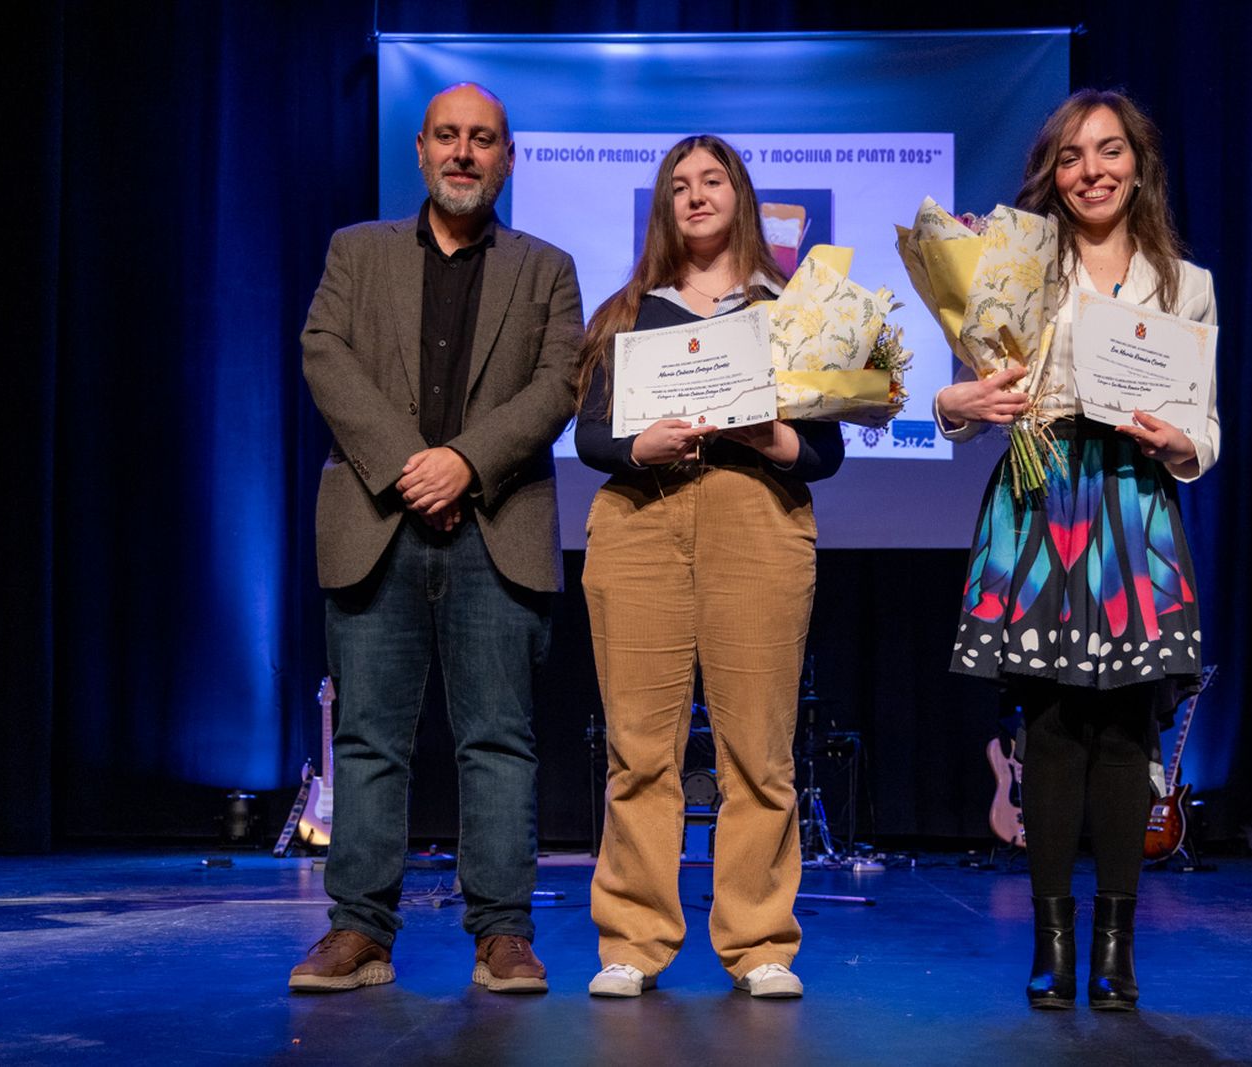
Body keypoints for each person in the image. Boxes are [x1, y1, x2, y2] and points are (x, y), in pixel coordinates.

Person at [290, 83, 583, 994]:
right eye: (448, 136)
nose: (464, 152)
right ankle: (358, 933)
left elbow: (559, 382)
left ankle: (502, 933)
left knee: (497, 740)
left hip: (496, 528)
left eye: (483, 139)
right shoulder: (357, 250)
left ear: (507, 158)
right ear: (420, 150)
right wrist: (412, 465)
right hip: (377, 524)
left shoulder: (548, 267)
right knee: (372, 739)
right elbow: (323, 352)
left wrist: (464, 462)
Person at [935, 89, 1220, 1010]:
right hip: (1041, 493)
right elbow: (961, 401)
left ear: (1139, 163)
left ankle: (1116, 952)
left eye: (1108, 152)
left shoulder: (1186, 284)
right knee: (1049, 733)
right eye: (1070, 157)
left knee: (1125, 731)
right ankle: (1052, 946)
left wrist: (1180, 445)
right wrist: (958, 406)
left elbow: (1203, 432)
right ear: (1051, 175)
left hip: (1134, 507)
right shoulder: (1016, 265)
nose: (1091, 171)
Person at [573, 135, 844, 999]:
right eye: (679, 185)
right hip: (641, 522)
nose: (695, 196)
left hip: (754, 521)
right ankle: (633, 939)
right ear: (664, 204)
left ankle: (761, 941)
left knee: (758, 752)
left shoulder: (791, 309)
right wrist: (638, 444)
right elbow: (589, 437)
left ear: (741, 195)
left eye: (712, 180)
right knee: (639, 750)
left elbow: (826, 451)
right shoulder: (627, 310)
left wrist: (769, 435)